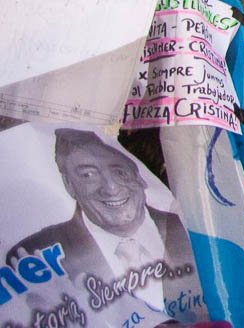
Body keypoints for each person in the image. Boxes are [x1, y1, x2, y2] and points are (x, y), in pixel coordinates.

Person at [7, 129, 197, 316]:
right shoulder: (36, 255)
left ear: (139, 176)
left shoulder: (194, 226)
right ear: (68, 184)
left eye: (119, 172)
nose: (111, 188)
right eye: (88, 175)